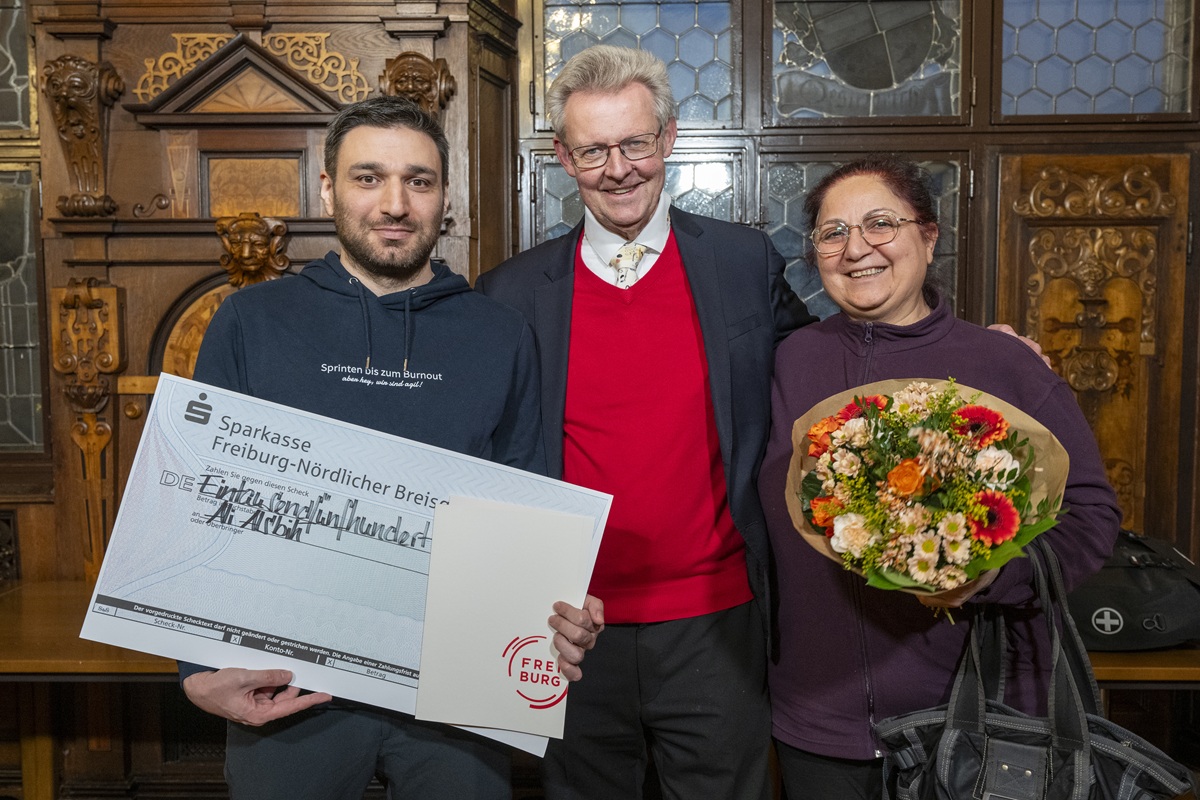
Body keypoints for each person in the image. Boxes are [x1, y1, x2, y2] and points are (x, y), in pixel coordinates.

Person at [179, 96, 605, 800]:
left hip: (458, 689)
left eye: (418, 181)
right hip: (287, 682)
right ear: (327, 189)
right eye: (368, 177)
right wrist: (194, 667)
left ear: (445, 196)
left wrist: (554, 605)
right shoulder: (252, 320)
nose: (395, 204)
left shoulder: (499, 334)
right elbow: (200, 494)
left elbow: (530, 496)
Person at [476, 45, 816, 799]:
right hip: (567, 628)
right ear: (563, 157)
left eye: (635, 143)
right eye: (593, 150)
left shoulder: (742, 262)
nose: (618, 169)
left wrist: (957, 347)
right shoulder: (511, 292)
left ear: (668, 139)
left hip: (717, 624)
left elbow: (820, 370)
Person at [756, 155, 1121, 799]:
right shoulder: (789, 361)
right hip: (817, 719)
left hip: (973, 718)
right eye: (833, 233)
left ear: (928, 237)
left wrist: (990, 577)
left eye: (880, 224)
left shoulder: (1002, 363)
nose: (856, 249)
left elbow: (1090, 518)